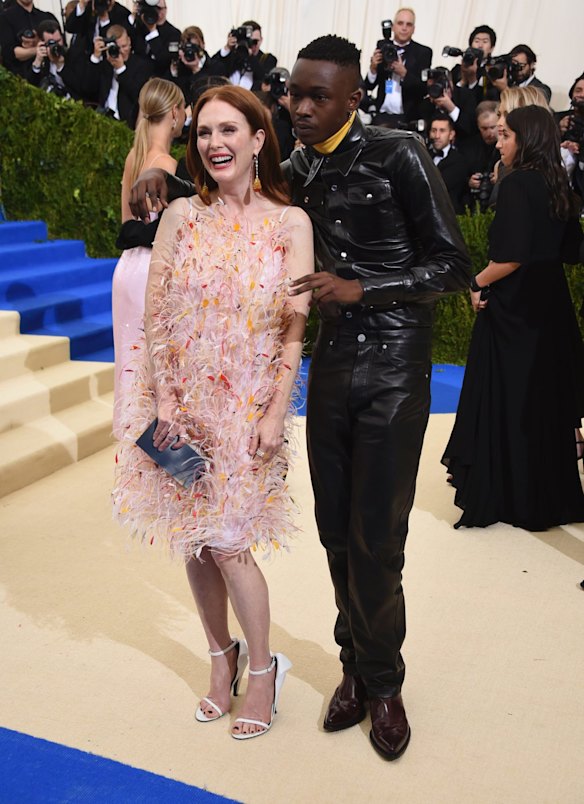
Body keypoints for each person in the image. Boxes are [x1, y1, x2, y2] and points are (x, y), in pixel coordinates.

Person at [127, 34, 470, 761]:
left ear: (355, 96)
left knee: (379, 536)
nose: (304, 107)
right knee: (336, 535)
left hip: (397, 370)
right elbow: (239, 203)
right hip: (335, 364)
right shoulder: (301, 171)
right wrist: (169, 187)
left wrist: (363, 288)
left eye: (320, 97)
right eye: (296, 95)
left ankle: (383, 682)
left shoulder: (401, 152)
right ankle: (353, 663)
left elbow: (450, 262)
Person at [113, 85, 314, 740]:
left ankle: (262, 671)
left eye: (228, 130)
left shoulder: (291, 224)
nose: (213, 143)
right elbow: (159, 316)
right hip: (174, 405)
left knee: (230, 544)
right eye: (202, 132)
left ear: (259, 140)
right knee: (194, 543)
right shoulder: (178, 215)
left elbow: (293, 328)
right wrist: (166, 402)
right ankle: (218, 659)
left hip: (246, 409)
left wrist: (274, 412)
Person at [442, 105, 584, 530]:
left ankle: (507, 495)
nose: (498, 143)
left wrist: (475, 283)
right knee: (539, 403)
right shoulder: (557, 182)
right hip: (551, 308)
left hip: (514, 310)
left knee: (509, 400)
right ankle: (544, 495)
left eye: (505, 135)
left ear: (526, 139)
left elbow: (510, 258)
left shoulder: (519, 182)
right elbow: (572, 252)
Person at [112, 78, 185, 440]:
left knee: (130, 363)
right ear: (175, 112)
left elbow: (126, 225)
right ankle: (155, 461)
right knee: (156, 367)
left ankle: (131, 449)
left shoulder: (134, 157)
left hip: (127, 267)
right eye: (184, 108)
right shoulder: (168, 164)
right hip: (154, 269)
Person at [364, 6, 432, 127]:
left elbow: (423, 89)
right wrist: (373, 68)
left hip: (407, 118)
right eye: (400, 23)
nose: (404, 28)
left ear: (413, 29)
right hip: (381, 116)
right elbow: (369, 86)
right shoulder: (383, 45)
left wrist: (404, 74)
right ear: (393, 26)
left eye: (409, 24)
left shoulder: (423, 52)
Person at [86, 24, 154, 127]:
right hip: (103, 118)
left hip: (126, 122)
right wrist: (95, 57)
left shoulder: (141, 65)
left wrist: (121, 69)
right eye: (117, 48)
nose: (121, 51)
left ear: (129, 41)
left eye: (124, 46)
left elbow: (138, 96)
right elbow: (88, 88)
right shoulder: (105, 64)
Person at [427, 114, 469, 213]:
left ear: (451, 135)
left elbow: (439, 187)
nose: (437, 136)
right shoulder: (424, 155)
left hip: (449, 214)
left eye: (442, 131)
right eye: (434, 130)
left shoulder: (459, 160)